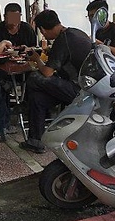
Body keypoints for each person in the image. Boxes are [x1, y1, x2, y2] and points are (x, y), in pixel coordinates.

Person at [21, 10, 91, 153]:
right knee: (38, 98)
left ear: (43, 30)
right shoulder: (76, 32)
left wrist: (36, 59)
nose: (44, 35)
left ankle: (24, 104)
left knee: (34, 78)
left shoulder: (62, 40)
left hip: (80, 90)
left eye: (42, 32)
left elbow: (47, 72)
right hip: (87, 85)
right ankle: (35, 141)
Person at [85, 0, 115, 75]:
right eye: (90, 16)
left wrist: (99, 43)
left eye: (94, 16)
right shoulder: (97, 30)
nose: (92, 20)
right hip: (105, 65)